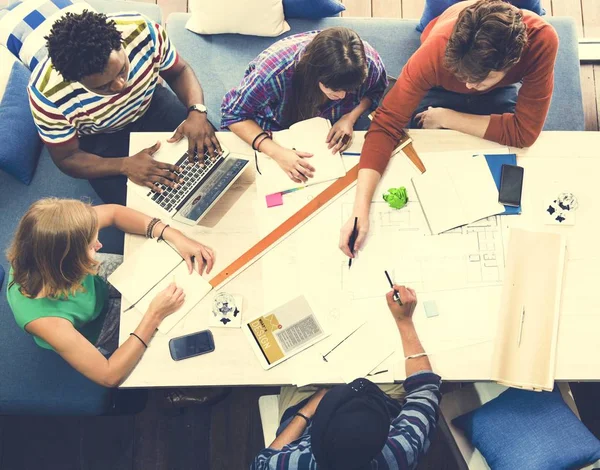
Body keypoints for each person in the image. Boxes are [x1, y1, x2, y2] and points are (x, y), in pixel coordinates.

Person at [339, 0, 558, 256]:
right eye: (465, 79)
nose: (468, 88)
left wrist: (447, 118)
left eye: (479, 81)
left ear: (511, 62)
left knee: (505, 164)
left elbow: (525, 132)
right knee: (415, 139)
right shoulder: (436, 50)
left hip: (495, 92)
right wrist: (360, 209)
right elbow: (386, 124)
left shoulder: (542, 40)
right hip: (441, 80)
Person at [6, 198, 214, 390]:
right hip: (95, 327)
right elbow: (109, 375)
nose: (99, 245)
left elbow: (114, 213)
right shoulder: (44, 320)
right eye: (91, 247)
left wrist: (175, 236)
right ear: (68, 263)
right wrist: (154, 316)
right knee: (170, 332)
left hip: (94, 286)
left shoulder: (54, 239)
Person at [29, 10, 222, 206]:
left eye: (122, 70)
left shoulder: (142, 31)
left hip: (150, 104)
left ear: (120, 43)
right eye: (103, 86)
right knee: (144, 214)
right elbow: (67, 158)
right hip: (100, 138)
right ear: (75, 80)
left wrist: (197, 111)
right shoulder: (47, 94)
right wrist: (124, 165)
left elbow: (179, 71)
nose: (121, 86)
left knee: (215, 154)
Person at [251, 286, 441, 470]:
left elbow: (261, 464)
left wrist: (307, 411)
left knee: (290, 367)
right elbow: (424, 389)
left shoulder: (298, 462)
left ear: (314, 443)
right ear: (384, 437)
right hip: (379, 404)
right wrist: (404, 321)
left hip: (308, 409)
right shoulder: (401, 451)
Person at [221, 27, 388, 184]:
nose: (342, 96)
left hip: (330, 130)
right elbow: (233, 114)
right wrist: (277, 152)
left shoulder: (370, 62)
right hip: (278, 124)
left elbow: (375, 90)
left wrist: (350, 117)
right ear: (315, 75)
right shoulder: (272, 74)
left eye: (350, 90)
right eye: (335, 89)